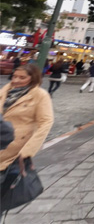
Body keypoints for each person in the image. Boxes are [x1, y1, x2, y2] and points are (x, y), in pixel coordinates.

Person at [0, 64, 54, 211]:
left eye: (22, 77)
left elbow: (46, 123)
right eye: (15, 76)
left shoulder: (40, 95)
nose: (16, 80)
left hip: (13, 152)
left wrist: (27, 151)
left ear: (33, 78)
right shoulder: (4, 91)